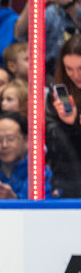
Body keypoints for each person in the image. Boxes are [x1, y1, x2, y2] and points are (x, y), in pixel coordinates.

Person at [47, 35, 81, 197]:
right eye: (69, 69)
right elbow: (54, 145)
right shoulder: (59, 94)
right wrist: (70, 125)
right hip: (70, 179)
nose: (75, 75)